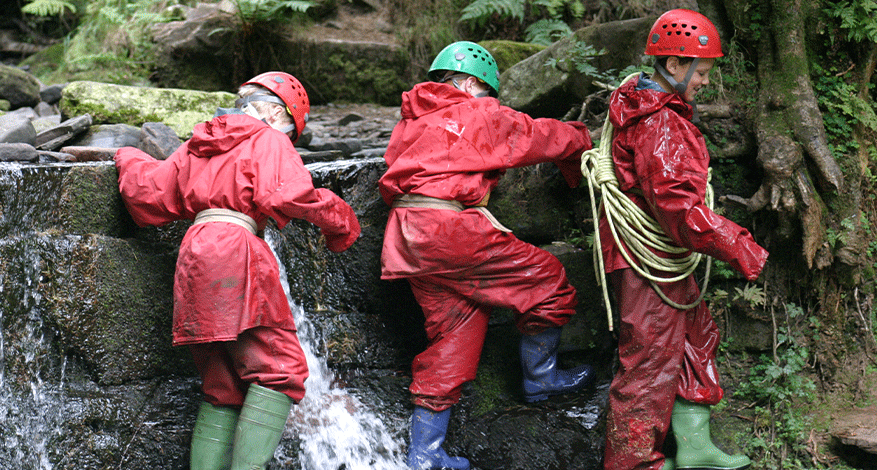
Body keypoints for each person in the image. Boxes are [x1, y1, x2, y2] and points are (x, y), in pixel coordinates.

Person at [114, 71, 361, 470]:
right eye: (290, 131)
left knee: (222, 387)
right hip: (236, 250)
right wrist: (340, 219)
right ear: (279, 115)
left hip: (193, 256)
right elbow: (287, 193)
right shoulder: (267, 139)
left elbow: (149, 193)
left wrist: (126, 156)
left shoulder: (199, 144)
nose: (288, 140)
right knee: (281, 369)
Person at [378, 41, 596, 470]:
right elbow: (538, 135)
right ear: (474, 83)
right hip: (450, 228)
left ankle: (425, 455)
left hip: (406, 236)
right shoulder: (478, 112)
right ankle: (542, 380)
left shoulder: (410, 121)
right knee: (548, 281)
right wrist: (583, 139)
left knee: (455, 332)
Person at [598, 10, 769, 470]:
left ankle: (693, 447)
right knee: (648, 367)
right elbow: (677, 207)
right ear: (674, 66)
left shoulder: (640, 103)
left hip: (647, 257)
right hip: (645, 259)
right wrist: (740, 245)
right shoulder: (659, 123)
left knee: (696, 334)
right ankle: (635, 465)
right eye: (704, 71)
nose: (707, 82)